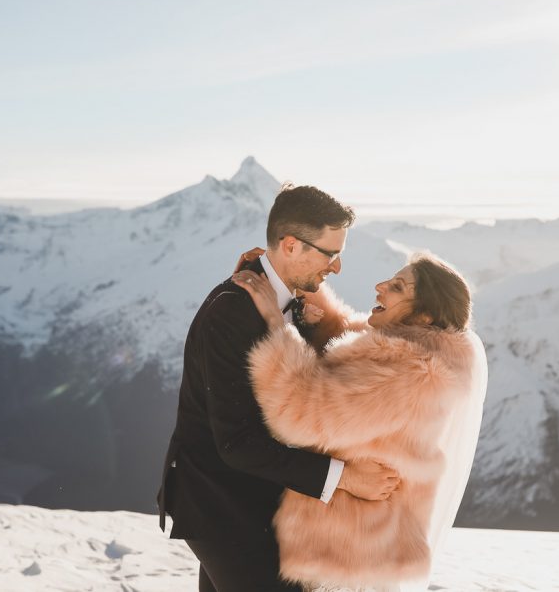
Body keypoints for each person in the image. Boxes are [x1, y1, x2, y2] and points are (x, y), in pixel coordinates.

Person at [157, 185, 403, 592]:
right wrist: (345, 478)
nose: (337, 268)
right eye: (330, 253)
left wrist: (301, 328)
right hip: (223, 507)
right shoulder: (232, 312)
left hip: (252, 502)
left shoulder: (287, 302)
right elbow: (237, 443)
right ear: (290, 246)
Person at [232, 251, 488, 592]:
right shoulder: (410, 351)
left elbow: (299, 413)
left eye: (397, 287)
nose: (380, 286)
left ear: (425, 316)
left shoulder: (409, 373)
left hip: (345, 559)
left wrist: (277, 328)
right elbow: (341, 335)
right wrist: (285, 275)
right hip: (359, 551)